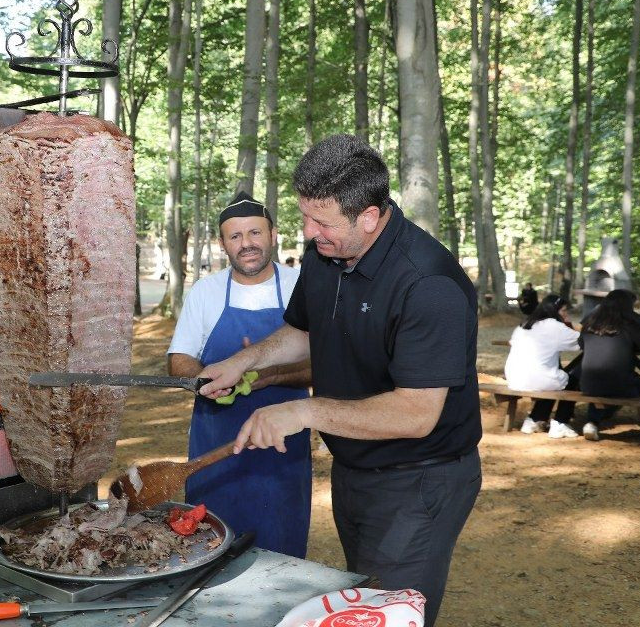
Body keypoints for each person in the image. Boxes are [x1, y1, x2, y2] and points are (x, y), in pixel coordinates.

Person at [197, 136, 481, 627]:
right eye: (306, 216)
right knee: (364, 597)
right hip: (356, 466)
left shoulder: (428, 284)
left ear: (369, 216)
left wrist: (304, 411)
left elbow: (417, 413)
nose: (309, 232)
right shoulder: (325, 253)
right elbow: (304, 331)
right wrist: (246, 363)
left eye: (322, 221)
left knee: (388, 614)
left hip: (419, 479)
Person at [167, 191, 312, 558]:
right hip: (215, 444)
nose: (246, 244)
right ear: (223, 244)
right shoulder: (206, 291)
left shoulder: (304, 285)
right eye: (235, 236)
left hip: (282, 447)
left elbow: (325, 365)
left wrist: (270, 374)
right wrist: (204, 380)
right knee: (207, 545)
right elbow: (179, 359)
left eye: (255, 233)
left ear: (273, 234)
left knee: (281, 548)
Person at [578, 289, 640, 442]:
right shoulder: (628, 324)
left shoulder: (590, 323)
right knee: (639, 386)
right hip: (619, 384)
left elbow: (581, 343)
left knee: (601, 387)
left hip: (587, 383)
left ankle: (592, 423)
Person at [504, 294, 581, 438]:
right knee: (572, 378)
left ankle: (534, 419)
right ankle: (560, 422)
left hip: (515, 378)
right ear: (554, 310)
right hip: (538, 379)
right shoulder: (555, 326)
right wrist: (571, 325)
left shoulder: (524, 324)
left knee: (553, 375)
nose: (566, 314)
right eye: (564, 311)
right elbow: (582, 342)